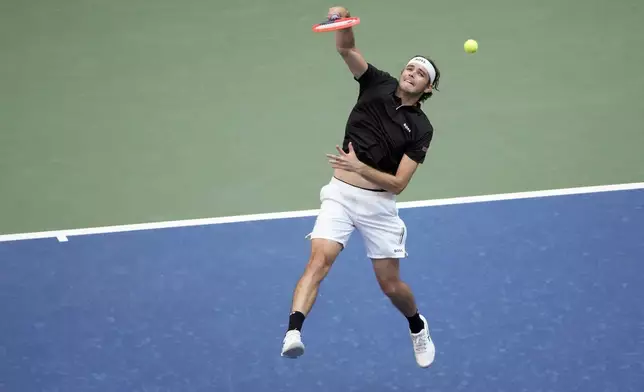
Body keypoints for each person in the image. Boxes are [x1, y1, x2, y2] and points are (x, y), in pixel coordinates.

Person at [280, 5, 440, 368]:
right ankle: (294, 332)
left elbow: (399, 183)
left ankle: (417, 325)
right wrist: (342, 19)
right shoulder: (377, 82)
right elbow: (346, 50)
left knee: (390, 286)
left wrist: (359, 166)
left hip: (378, 206)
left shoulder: (421, 128)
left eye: (421, 74)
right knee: (319, 261)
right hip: (338, 194)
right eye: (410, 67)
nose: (412, 73)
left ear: (428, 88)